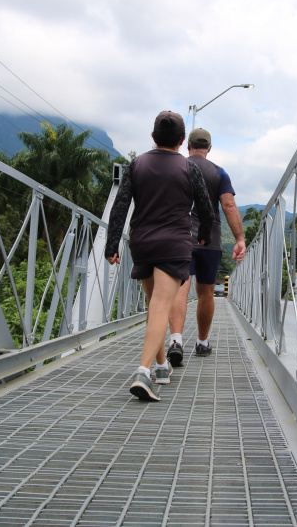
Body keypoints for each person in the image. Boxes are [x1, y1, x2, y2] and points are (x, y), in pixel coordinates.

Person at [105, 111, 214, 402]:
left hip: (142, 243)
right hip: (174, 244)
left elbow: (120, 206)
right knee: (161, 305)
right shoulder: (189, 168)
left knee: (156, 306)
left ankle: (162, 366)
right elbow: (206, 208)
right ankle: (143, 372)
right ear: (182, 140)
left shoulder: (136, 164)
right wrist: (203, 233)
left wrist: (111, 244)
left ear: (153, 137)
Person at [166, 127, 246, 366]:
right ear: (209, 148)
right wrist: (240, 238)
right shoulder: (219, 173)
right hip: (210, 240)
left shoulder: (176, 167)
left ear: (187, 145)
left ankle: (176, 341)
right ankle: (202, 342)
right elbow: (229, 206)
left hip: (180, 237)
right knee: (206, 292)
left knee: (181, 286)